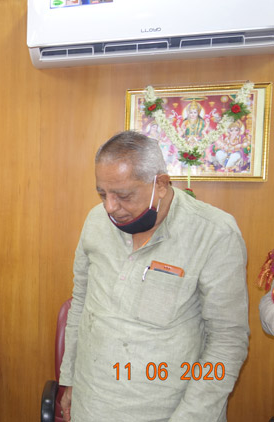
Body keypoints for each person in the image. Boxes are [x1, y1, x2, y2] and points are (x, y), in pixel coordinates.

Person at [59, 131, 249, 421]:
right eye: (102, 194)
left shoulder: (214, 233)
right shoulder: (96, 221)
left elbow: (227, 341)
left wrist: (191, 417)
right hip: (91, 405)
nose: (110, 207)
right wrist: (70, 379)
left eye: (123, 195)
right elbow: (81, 302)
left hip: (167, 412)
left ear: (160, 184)